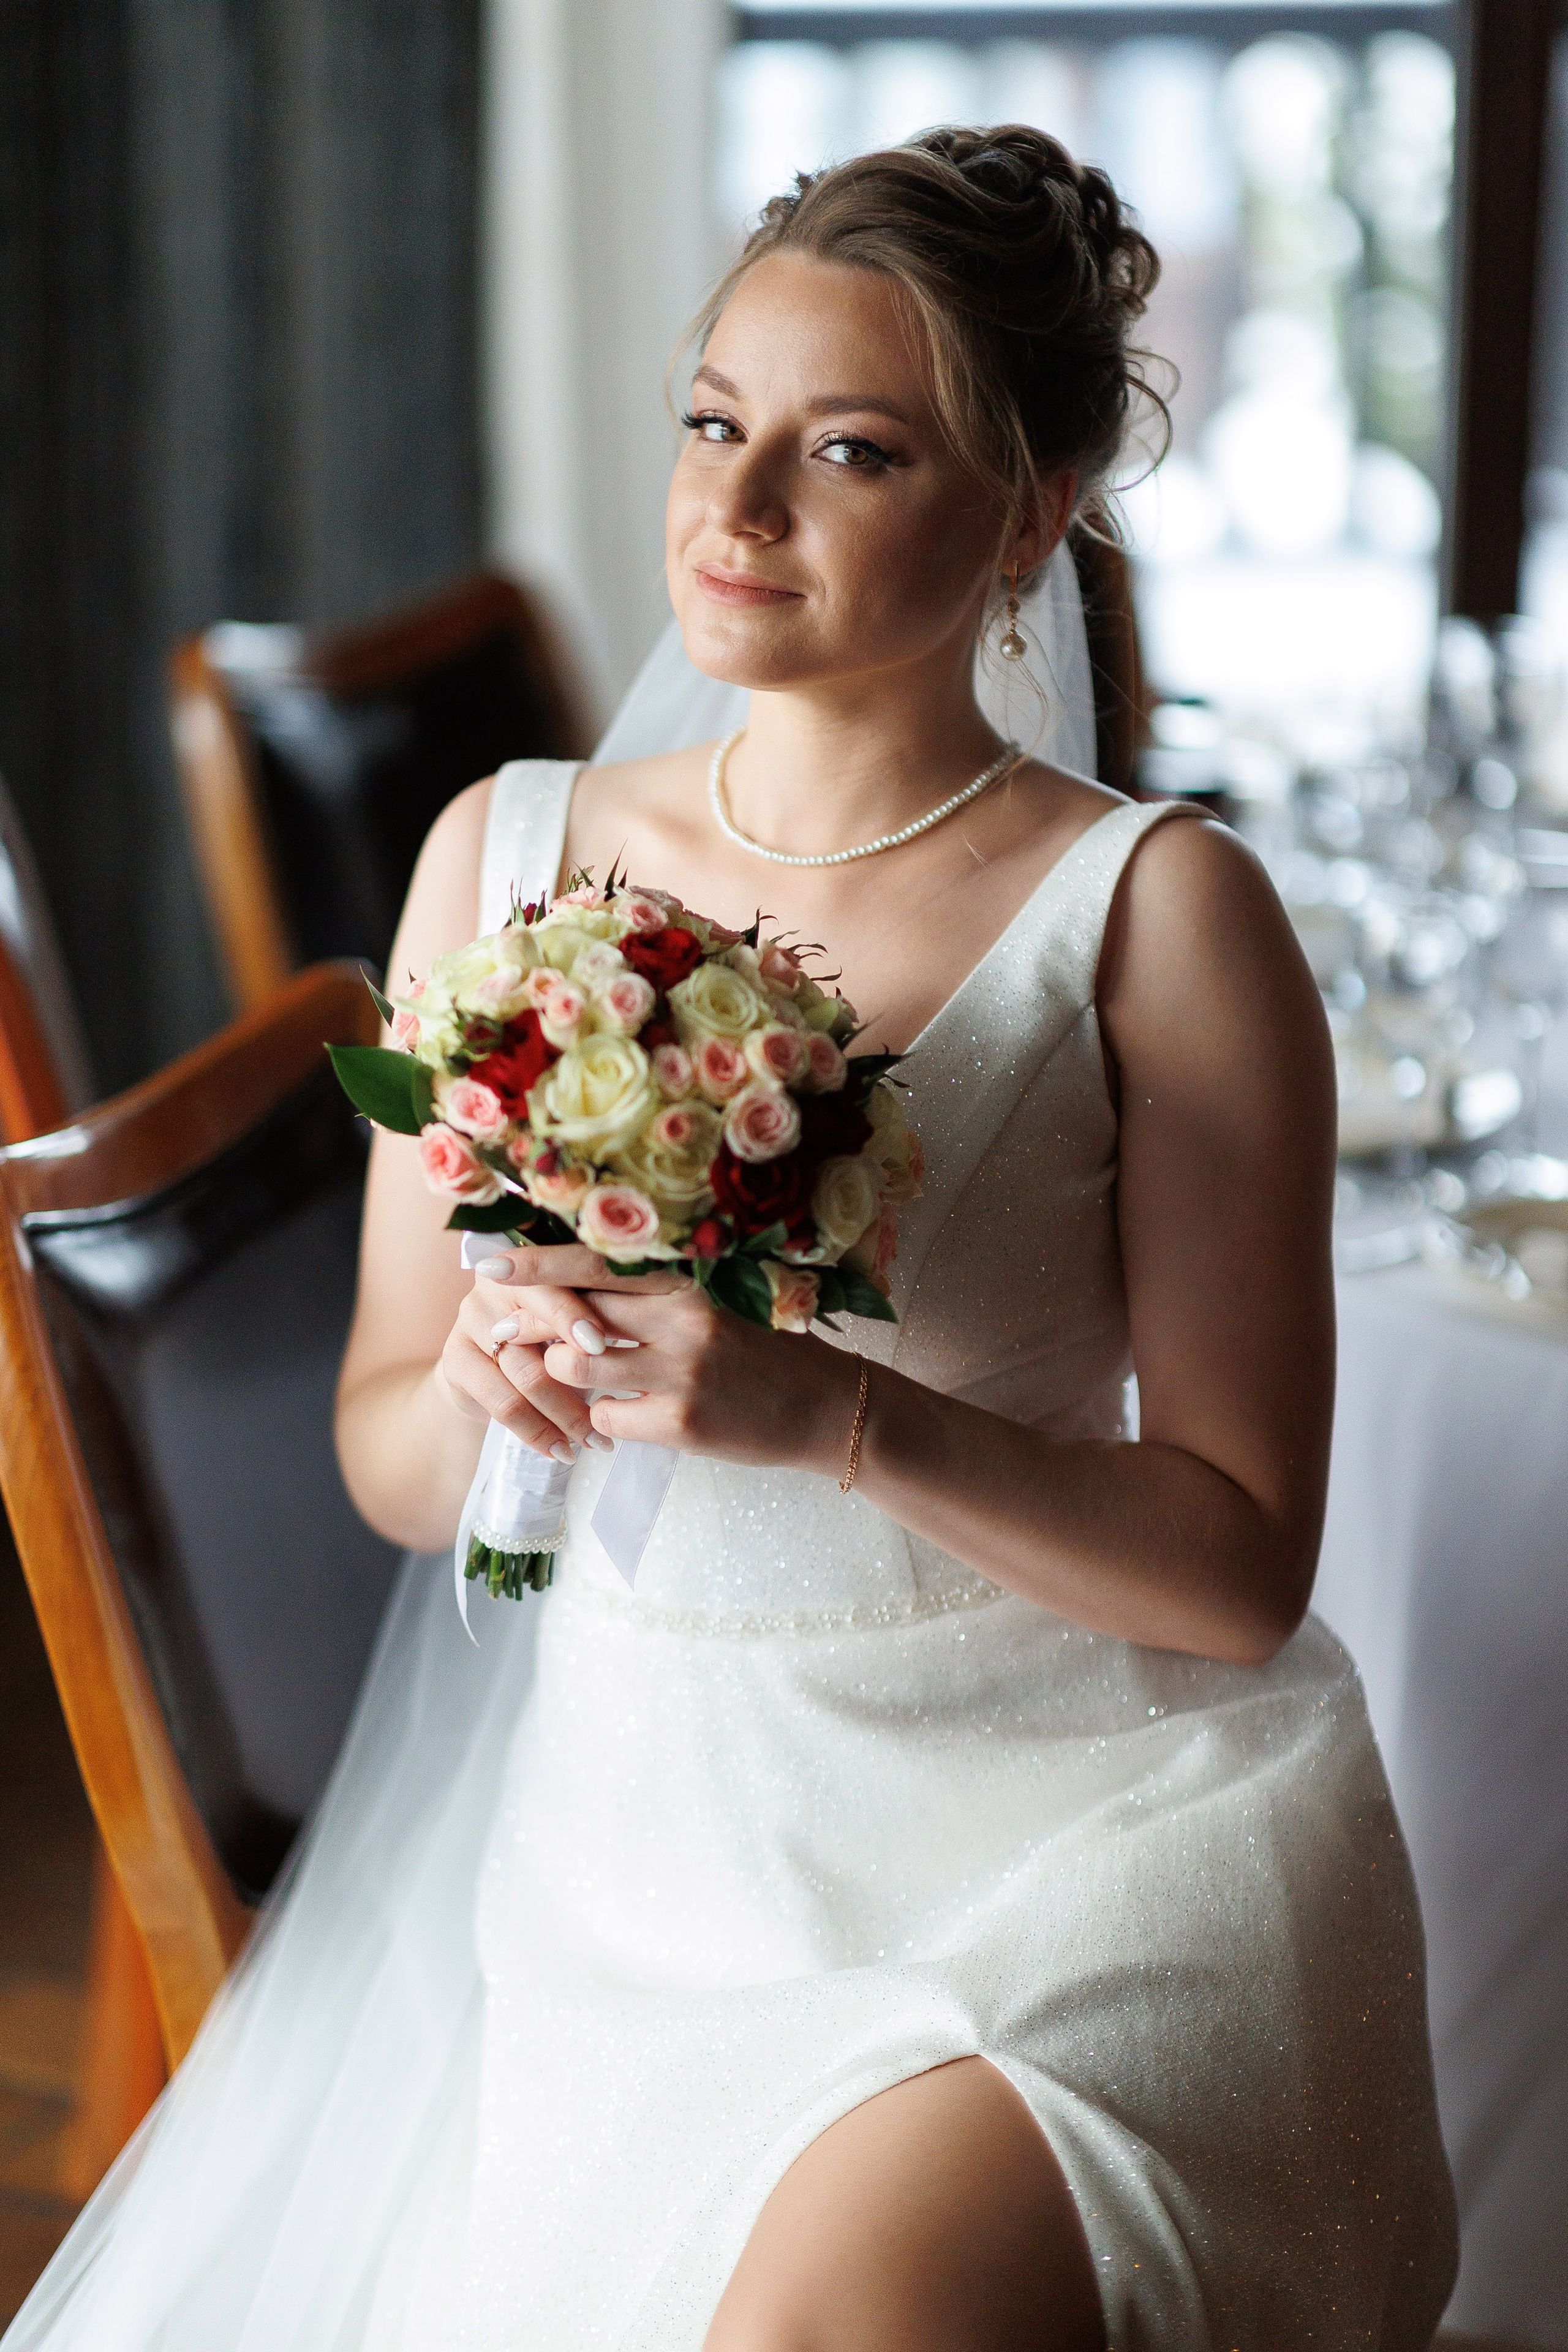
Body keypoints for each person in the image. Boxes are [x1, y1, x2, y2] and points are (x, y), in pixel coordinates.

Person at [6, 127, 1455, 2352]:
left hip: (1073, 1851)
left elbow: (1245, 1563)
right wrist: (487, 1388)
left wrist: (833, 1421)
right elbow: (391, 1457)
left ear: (1031, 515)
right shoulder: (505, 858)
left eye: (849, 450)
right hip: (653, 1849)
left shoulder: (1159, 916)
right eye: (713, 422)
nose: (736, 505)